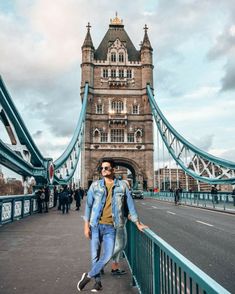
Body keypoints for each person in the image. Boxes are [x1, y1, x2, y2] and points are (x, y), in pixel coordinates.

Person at [77, 158, 147, 292]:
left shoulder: (122, 186)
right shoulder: (95, 185)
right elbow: (89, 206)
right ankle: (97, 283)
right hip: (96, 225)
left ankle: (89, 275)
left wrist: (137, 223)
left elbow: (130, 206)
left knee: (108, 254)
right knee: (95, 256)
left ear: (113, 170)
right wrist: (86, 226)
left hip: (111, 227)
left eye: (106, 168)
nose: (103, 170)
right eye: (102, 168)